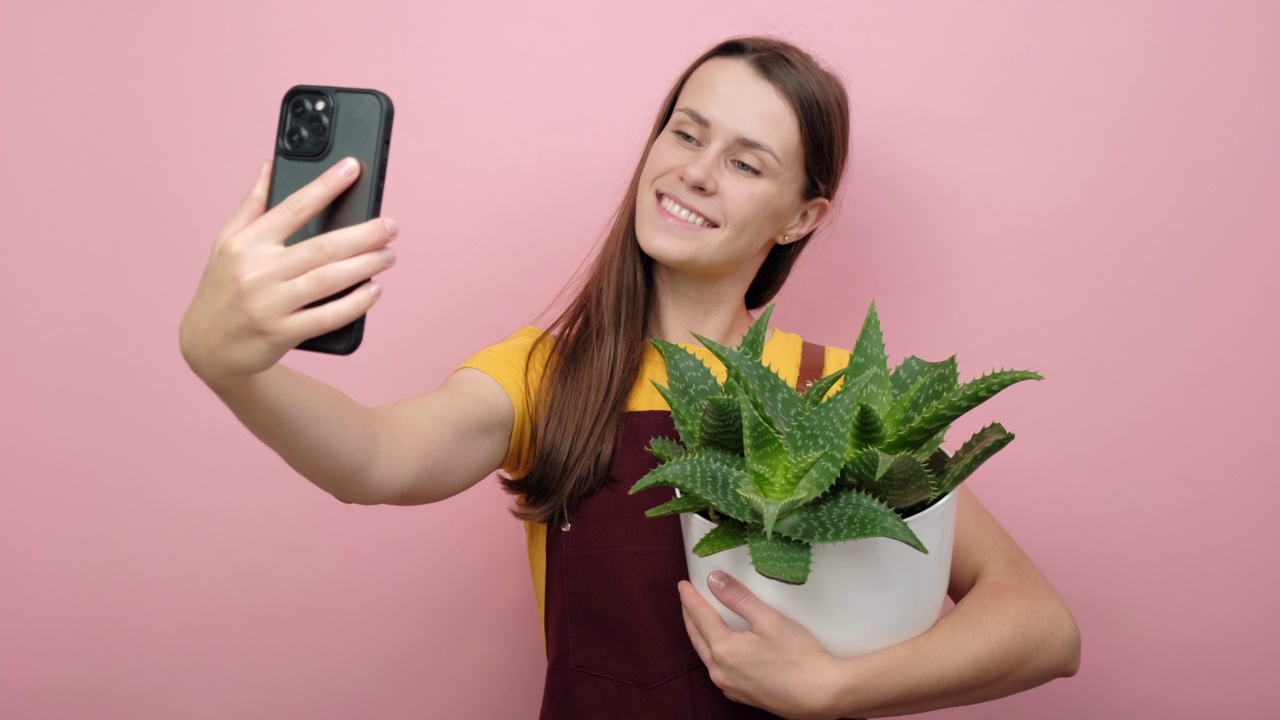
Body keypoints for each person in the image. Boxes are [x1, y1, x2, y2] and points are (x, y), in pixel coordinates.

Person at [180, 36, 1080, 720]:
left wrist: (833, 687)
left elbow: (1042, 624)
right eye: (686, 132)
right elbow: (378, 460)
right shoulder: (548, 375)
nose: (694, 169)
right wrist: (232, 369)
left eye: (745, 161)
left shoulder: (835, 393)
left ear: (802, 217)